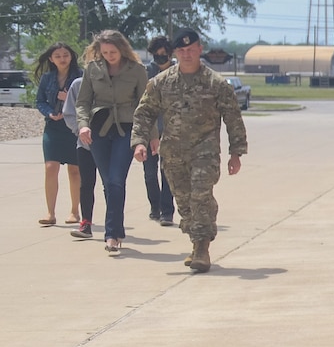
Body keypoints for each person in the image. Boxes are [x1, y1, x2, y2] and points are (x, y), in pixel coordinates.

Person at [132, 27, 247, 272]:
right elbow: (144, 113)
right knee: (183, 201)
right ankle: (196, 242)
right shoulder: (162, 83)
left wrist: (235, 152)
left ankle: (202, 247)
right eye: (181, 50)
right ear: (176, 52)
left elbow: (233, 118)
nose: (186, 54)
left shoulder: (216, 84)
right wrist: (140, 142)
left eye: (191, 49)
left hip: (205, 151)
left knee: (200, 195)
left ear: (199, 49)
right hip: (172, 152)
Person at [74, 29, 148, 256]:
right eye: (104, 52)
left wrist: (147, 138)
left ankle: (112, 234)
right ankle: (115, 227)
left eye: (113, 51)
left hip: (126, 128)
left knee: (116, 181)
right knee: (108, 183)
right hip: (98, 128)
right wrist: (83, 124)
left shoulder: (137, 70)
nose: (109, 55)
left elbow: (146, 106)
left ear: (122, 49)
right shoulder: (92, 69)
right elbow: (83, 102)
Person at [33, 42, 82, 228]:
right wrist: (50, 113)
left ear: (71, 56)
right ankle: (50, 213)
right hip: (53, 128)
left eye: (65, 55)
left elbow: (89, 99)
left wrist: (69, 97)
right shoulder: (47, 78)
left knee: (74, 170)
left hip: (74, 127)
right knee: (50, 167)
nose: (62, 59)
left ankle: (75, 211)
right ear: (51, 59)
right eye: (58, 56)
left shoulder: (80, 76)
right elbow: (39, 101)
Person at [140, 35, 177, 226]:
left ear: (170, 54)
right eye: (156, 55)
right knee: (149, 173)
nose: (160, 58)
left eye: (164, 55)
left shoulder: (178, 72)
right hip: (149, 130)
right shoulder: (146, 72)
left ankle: (167, 211)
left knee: (167, 172)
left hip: (172, 130)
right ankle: (155, 207)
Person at [62, 69, 99, 238]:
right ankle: (86, 223)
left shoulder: (116, 83)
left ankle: (114, 227)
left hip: (111, 142)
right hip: (84, 144)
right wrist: (80, 130)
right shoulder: (78, 84)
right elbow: (69, 112)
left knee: (113, 184)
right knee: (86, 183)